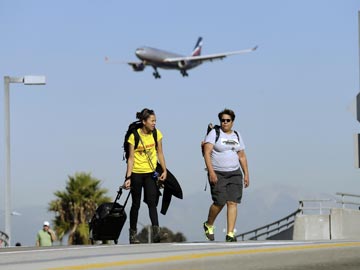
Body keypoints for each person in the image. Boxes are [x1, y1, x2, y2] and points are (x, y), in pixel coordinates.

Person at [202, 108, 249, 242]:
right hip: (218, 173)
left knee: (232, 202)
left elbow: (242, 156)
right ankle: (209, 224)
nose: (225, 123)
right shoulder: (214, 133)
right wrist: (211, 172)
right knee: (219, 202)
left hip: (234, 173)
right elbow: (207, 152)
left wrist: (246, 174)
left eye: (228, 120)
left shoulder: (237, 135)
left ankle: (230, 234)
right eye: (222, 120)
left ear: (232, 122)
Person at [124, 108, 167, 244]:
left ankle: (156, 233)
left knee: (152, 202)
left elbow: (160, 153)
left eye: (155, 121)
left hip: (150, 173)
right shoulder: (134, 136)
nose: (154, 123)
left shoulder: (156, 134)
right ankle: (133, 234)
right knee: (135, 204)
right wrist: (128, 178)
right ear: (144, 121)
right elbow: (130, 158)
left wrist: (164, 170)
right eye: (152, 121)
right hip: (136, 173)